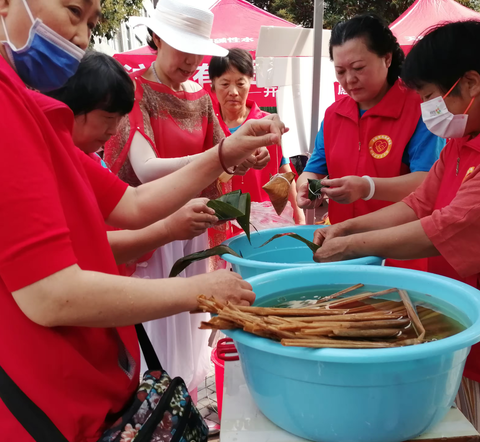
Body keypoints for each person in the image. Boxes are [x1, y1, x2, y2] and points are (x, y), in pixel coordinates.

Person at [0, 0, 285, 442]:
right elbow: (51, 294)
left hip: (82, 399)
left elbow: (130, 205)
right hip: (42, 421)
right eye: (73, 10)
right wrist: (197, 291)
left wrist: (225, 152)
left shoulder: (30, 109)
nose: (84, 36)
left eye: (92, 22)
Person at [311, 20, 480, 442]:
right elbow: (419, 202)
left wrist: (354, 244)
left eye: (429, 95)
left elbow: (443, 226)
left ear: (469, 84)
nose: (426, 107)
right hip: (452, 300)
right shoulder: (460, 140)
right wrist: (347, 230)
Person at [296, 14, 444, 268]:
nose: (349, 80)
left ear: (387, 58)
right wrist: (307, 189)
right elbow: (315, 169)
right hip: (343, 248)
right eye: (340, 71)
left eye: (358, 68)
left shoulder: (419, 107)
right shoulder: (334, 114)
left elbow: (428, 182)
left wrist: (367, 186)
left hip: (402, 250)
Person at [49, 51, 218, 271]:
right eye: (109, 119)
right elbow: (131, 205)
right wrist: (167, 228)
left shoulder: (89, 158)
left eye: (120, 119)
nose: (115, 129)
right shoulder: (62, 162)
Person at [209, 48, 305, 225]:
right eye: (224, 84)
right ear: (212, 85)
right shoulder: (207, 126)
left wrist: (299, 215)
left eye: (240, 83)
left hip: (264, 220)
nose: (233, 92)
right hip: (221, 222)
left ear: (251, 81)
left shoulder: (267, 124)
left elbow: (283, 170)